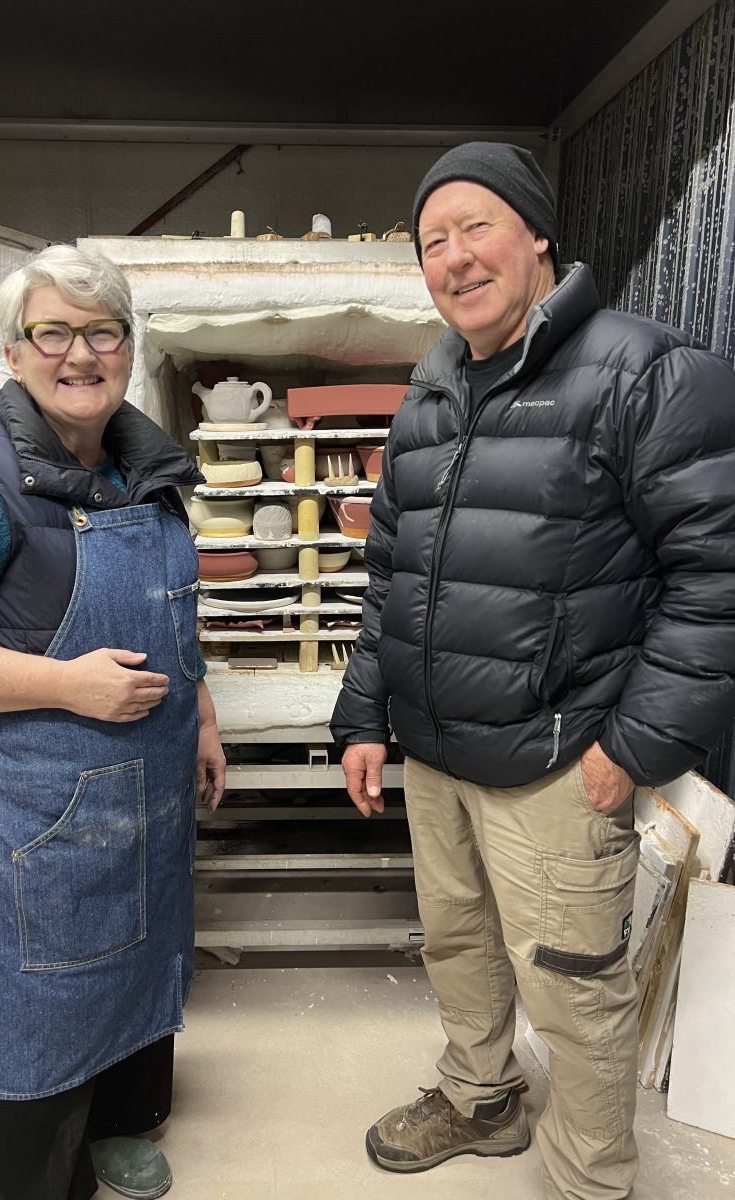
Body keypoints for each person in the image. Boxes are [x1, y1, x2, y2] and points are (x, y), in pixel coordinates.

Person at [331, 142, 735, 1200]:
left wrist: (634, 747)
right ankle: (480, 1100)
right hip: (436, 752)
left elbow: (717, 577)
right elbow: (391, 574)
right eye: (432, 241)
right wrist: (364, 714)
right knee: (460, 952)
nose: (455, 258)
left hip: (560, 759)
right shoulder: (429, 389)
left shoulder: (643, 371)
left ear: (537, 234)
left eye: (477, 227)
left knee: (575, 997)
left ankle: (589, 1182)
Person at [0, 244, 226, 1200]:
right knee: (37, 1000)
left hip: (144, 793)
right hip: (29, 816)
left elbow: (173, 611)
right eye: (52, 332)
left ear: (127, 347)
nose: (80, 354)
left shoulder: (146, 469)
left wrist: (202, 719)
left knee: (138, 963)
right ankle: (30, 1175)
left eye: (101, 331)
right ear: (15, 353)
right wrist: (67, 686)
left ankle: (119, 1125)